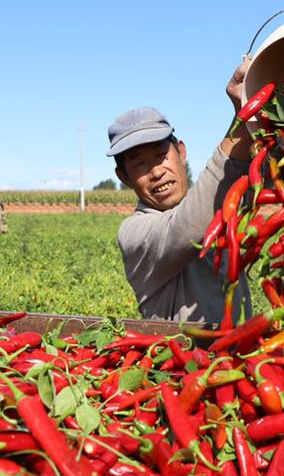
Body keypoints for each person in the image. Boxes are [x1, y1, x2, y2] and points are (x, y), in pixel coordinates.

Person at [106, 58, 254, 325]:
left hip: (243, 350)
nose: (156, 171)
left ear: (181, 152)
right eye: (139, 164)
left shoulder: (222, 200)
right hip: (181, 353)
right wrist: (245, 114)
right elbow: (186, 227)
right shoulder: (134, 234)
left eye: (161, 155)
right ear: (124, 177)